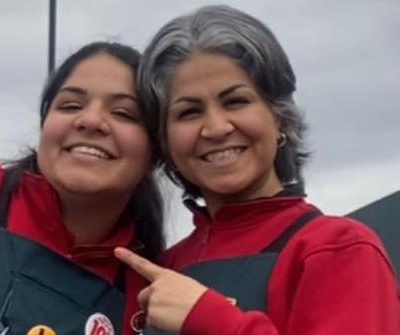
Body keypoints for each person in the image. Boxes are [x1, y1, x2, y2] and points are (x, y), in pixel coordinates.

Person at [114, 5, 400, 335]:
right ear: (165, 142)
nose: (216, 128)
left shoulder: (338, 248)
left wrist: (213, 320)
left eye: (235, 101)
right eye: (189, 112)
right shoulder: (161, 267)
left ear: (278, 116)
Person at [0, 42, 164, 335]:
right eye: (70, 105)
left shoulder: (151, 298)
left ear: (157, 152)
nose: (91, 121)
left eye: (124, 113)